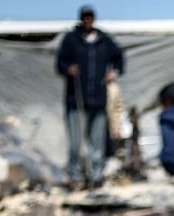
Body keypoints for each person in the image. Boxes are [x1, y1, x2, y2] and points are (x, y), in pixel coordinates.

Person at [56, 4, 124, 189]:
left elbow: (119, 57)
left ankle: (97, 174)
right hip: (76, 99)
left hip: (98, 99)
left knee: (97, 141)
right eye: (85, 17)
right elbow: (60, 62)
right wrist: (69, 69)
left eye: (90, 17)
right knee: (76, 142)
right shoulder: (71, 39)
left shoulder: (103, 40)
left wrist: (114, 72)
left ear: (94, 18)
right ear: (81, 18)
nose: (88, 20)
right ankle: (76, 175)